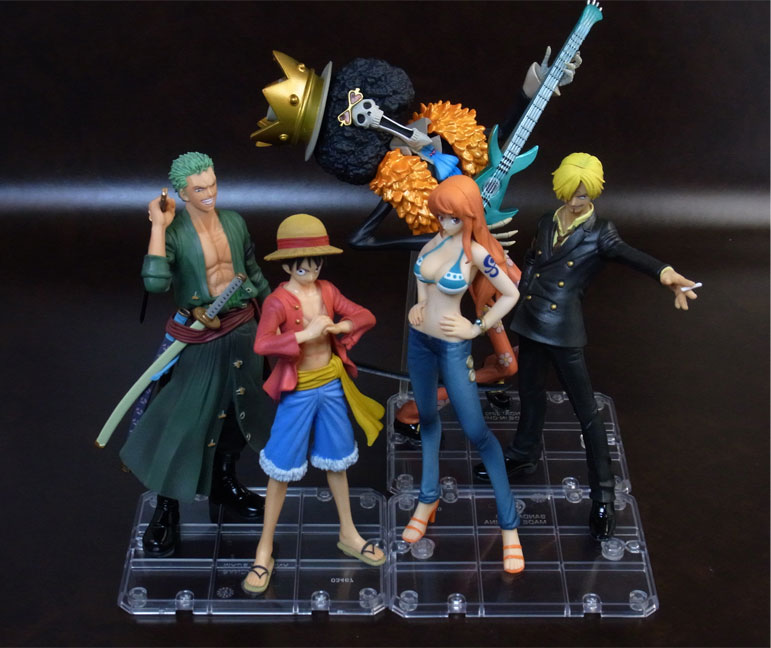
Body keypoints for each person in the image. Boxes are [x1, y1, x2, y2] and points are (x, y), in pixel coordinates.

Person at [474, 152, 698, 540]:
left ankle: (603, 496)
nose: (578, 200)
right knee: (530, 392)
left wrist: (663, 273)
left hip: (563, 329)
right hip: (531, 320)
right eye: (573, 193)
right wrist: (516, 294)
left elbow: (629, 254)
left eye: (585, 194)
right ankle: (524, 454)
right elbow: (533, 261)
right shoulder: (547, 220)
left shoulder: (601, 232)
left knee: (587, 413)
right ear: (561, 189)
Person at [120, 152, 272, 557]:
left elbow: (254, 272)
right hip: (200, 336)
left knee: (242, 411)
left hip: (243, 327)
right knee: (184, 420)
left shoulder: (235, 221)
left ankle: (224, 482)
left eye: (213, 184)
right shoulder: (174, 231)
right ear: (183, 194)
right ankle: (167, 506)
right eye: (199, 189)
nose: (209, 193)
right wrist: (158, 226)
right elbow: (155, 283)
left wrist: (279, 315)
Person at [242, 213, 385, 596]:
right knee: (280, 468)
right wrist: (305, 334)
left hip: (332, 385)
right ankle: (264, 548)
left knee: (337, 462)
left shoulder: (327, 290)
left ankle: (348, 532)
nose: (310, 272)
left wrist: (342, 326)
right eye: (302, 266)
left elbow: (365, 315)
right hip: (299, 390)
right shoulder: (277, 301)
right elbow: (262, 344)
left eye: (316, 264)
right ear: (287, 266)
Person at [403, 174, 525, 574]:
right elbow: (422, 278)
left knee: (477, 432)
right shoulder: (434, 243)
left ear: (469, 215)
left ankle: (509, 526)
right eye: (440, 215)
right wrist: (420, 304)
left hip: (454, 346)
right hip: (420, 342)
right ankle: (427, 498)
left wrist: (477, 327)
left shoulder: (476, 254)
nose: (444, 222)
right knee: (427, 418)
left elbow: (511, 293)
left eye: (453, 217)